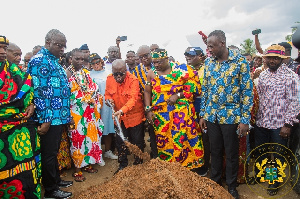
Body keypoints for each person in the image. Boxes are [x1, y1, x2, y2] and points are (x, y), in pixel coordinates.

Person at [199, 30, 253, 199]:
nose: (209, 50)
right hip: (212, 116)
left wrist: (245, 120)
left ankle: (231, 186)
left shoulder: (240, 62)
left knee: (231, 153)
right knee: (215, 151)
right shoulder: (208, 63)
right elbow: (205, 90)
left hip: (231, 116)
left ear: (222, 43)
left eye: (212, 46)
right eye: (208, 46)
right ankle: (215, 183)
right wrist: (203, 114)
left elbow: (247, 92)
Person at [27, 29, 73, 199]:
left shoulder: (54, 60)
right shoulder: (40, 61)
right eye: (58, 45)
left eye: (64, 46)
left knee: (53, 152)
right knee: (48, 154)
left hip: (58, 115)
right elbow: (40, 91)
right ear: (48, 43)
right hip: (49, 117)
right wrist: (45, 119)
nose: (62, 49)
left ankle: (56, 180)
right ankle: (51, 190)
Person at [144, 49, 204, 172]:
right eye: (154, 62)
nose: (156, 65)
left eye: (159, 62)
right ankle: (170, 169)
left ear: (167, 59)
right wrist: (148, 109)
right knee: (165, 140)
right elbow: (147, 91)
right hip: (161, 115)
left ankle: (189, 167)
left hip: (180, 112)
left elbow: (193, 87)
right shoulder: (151, 73)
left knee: (184, 137)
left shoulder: (181, 69)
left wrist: (178, 95)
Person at [254, 44, 299, 196]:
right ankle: (262, 175)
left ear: (282, 59)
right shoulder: (263, 75)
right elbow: (258, 96)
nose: (272, 61)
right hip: (262, 121)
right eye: (269, 58)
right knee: (262, 151)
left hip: (279, 124)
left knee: (278, 154)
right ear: (265, 59)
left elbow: (294, 102)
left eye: (276, 58)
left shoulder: (290, 76)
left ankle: (274, 182)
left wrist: (288, 124)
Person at [0, 35, 41, 198]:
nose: (2, 52)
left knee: (24, 175)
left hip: (18, 131)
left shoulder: (14, 70)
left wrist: (31, 103)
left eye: (4, 48)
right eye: (0, 48)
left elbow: (27, 88)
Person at [65, 49, 104, 182]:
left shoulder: (85, 72)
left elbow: (93, 88)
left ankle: (88, 164)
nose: (81, 62)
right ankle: (77, 169)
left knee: (91, 138)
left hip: (89, 112)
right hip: (76, 113)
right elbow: (66, 95)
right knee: (77, 140)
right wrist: (83, 98)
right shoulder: (67, 73)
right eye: (77, 59)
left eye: (83, 59)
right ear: (70, 58)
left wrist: (93, 96)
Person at [105, 59, 145, 173]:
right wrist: (109, 101)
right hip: (119, 118)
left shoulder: (133, 80)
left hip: (134, 116)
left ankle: (138, 164)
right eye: (115, 73)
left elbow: (133, 99)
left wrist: (122, 111)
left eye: (121, 73)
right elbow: (107, 95)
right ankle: (122, 165)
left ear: (126, 70)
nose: (118, 76)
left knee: (137, 141)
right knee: (120, 141)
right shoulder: (109, 79)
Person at [184, 47, 209, 176]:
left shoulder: (207, 69)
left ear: (200, 56)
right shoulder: (184, 70)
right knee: (193, 135)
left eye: (191, 55)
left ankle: (204, 166)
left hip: (203, 105)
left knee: (204, 137)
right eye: (186, 54)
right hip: (189, 106)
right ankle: (195, 163)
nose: (187, 57)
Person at [89, 53, 118, 163]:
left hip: (107, 105)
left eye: (97, 62)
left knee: (108, 128)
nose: (96, 65)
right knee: (95, 129)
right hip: (94, 106)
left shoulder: (108, 73)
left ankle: (108, 151)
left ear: (101, 62)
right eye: (93, 63)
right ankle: (97, 154)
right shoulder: (89, 75)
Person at [134, 45, 157, 158]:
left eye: (146, 55)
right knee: (152, 129)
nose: (144, 59)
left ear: (151, 53)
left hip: (162, 103)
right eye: (140, 57)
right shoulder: (136, 71)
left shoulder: (158, 65)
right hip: (147, 104)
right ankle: (154, 153)